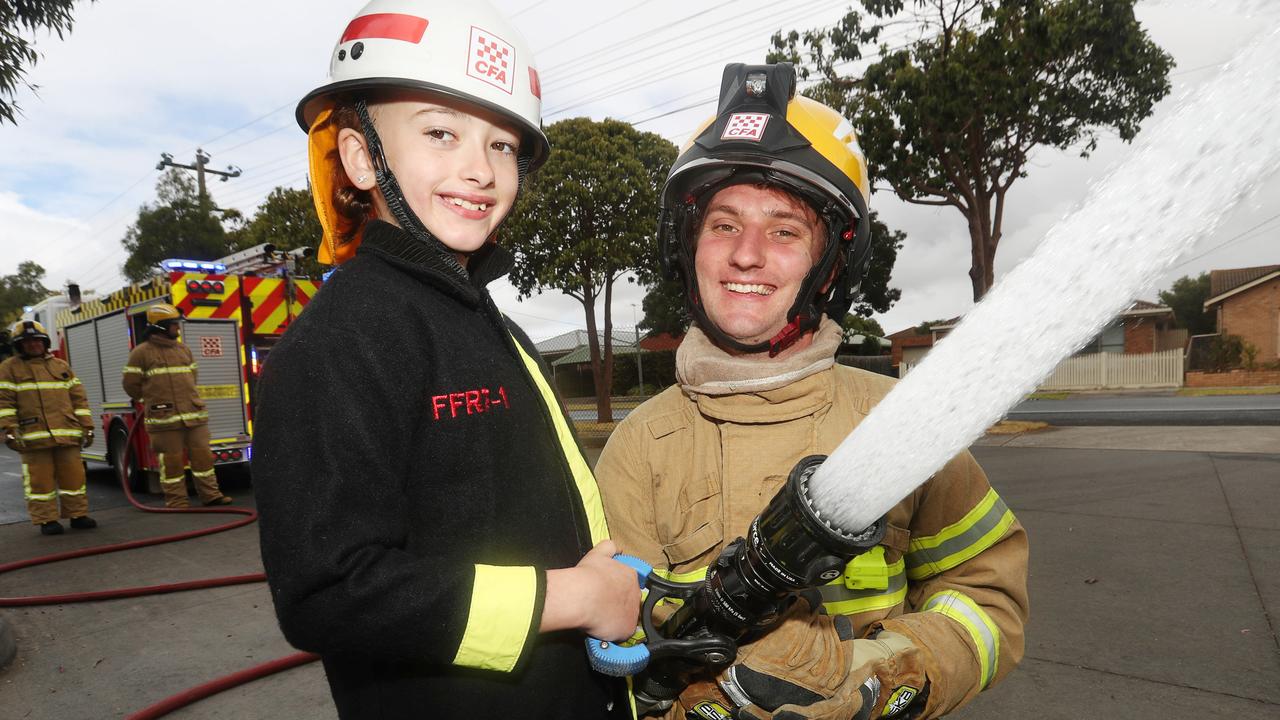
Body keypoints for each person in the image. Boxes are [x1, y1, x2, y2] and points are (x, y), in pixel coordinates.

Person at [595, 63, 1029, 720]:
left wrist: (893, 677)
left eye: (785, 230)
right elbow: (617, 640)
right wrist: (689, 703)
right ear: (689, 247)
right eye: (723, 224)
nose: (747, 254)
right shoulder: (638, 446)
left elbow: (986, 593)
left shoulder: (899, 422)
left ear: (830, 262)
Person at [250, 1, 638, 718]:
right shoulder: (338, 343)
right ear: (363, 158)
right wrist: (572, 598)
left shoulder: (492, 326)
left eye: (502, 146)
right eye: (440, 133)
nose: (479, 169)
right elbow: (327, 593)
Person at [122, 303, 232, 508]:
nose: (178, 328)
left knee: (203, 458)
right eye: (174, 325)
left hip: (193, 415)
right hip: (164, 419)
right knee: (171, 462)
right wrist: (151, 401)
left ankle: (211, 495)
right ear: (161, 326)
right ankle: (176, 500)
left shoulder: (184, 350)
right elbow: (131, 384)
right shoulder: (141, 353)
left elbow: (192, 378)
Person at [0, 320, 98, 535]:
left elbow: (79, 399)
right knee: (40, 482)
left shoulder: (61, 366)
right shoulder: (9, 369)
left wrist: (87, 426)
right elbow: (4, 401)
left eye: (37, 340)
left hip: (67, 434)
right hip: (33, 437)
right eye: (27, 341)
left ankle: (78, 515)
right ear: (20, 345)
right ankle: (47, 520)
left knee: (74, 478)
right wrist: (9, 429)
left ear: (45, 342)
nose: (33, 344)